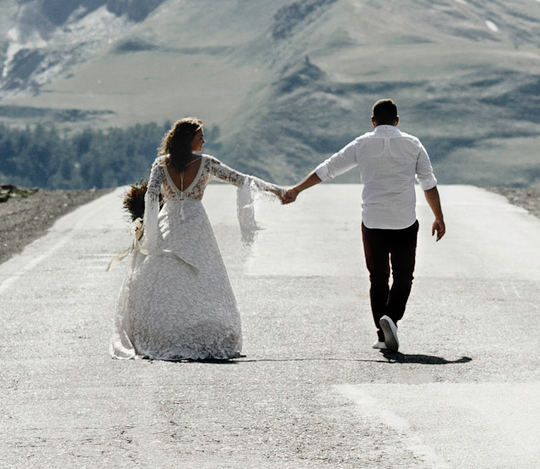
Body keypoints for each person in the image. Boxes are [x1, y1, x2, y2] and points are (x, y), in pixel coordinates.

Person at [278, 99, 443, 357]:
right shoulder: (413, 144)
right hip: (404, 221)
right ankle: (391, 318)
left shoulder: (362, 144)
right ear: (397, 120)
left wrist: (297, 189)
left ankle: (382, 332)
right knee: (403, 276)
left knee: (378, 277)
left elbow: (328, 169)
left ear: (373, 121)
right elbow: (428, 183)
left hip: (373, 221)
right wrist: (438, 216)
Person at [113, 119, 285, 362]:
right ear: (188, 140)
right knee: (203, 277)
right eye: (200, 136)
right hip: (196, 223)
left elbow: (151, 196)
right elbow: (241, 179)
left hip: (167, 222)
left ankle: (161, 333)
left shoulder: (162, 164)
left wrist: (150, 231)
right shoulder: (206, 164)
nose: (204, 141)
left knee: (164, 276)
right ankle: (199, 333)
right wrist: (277, 191)